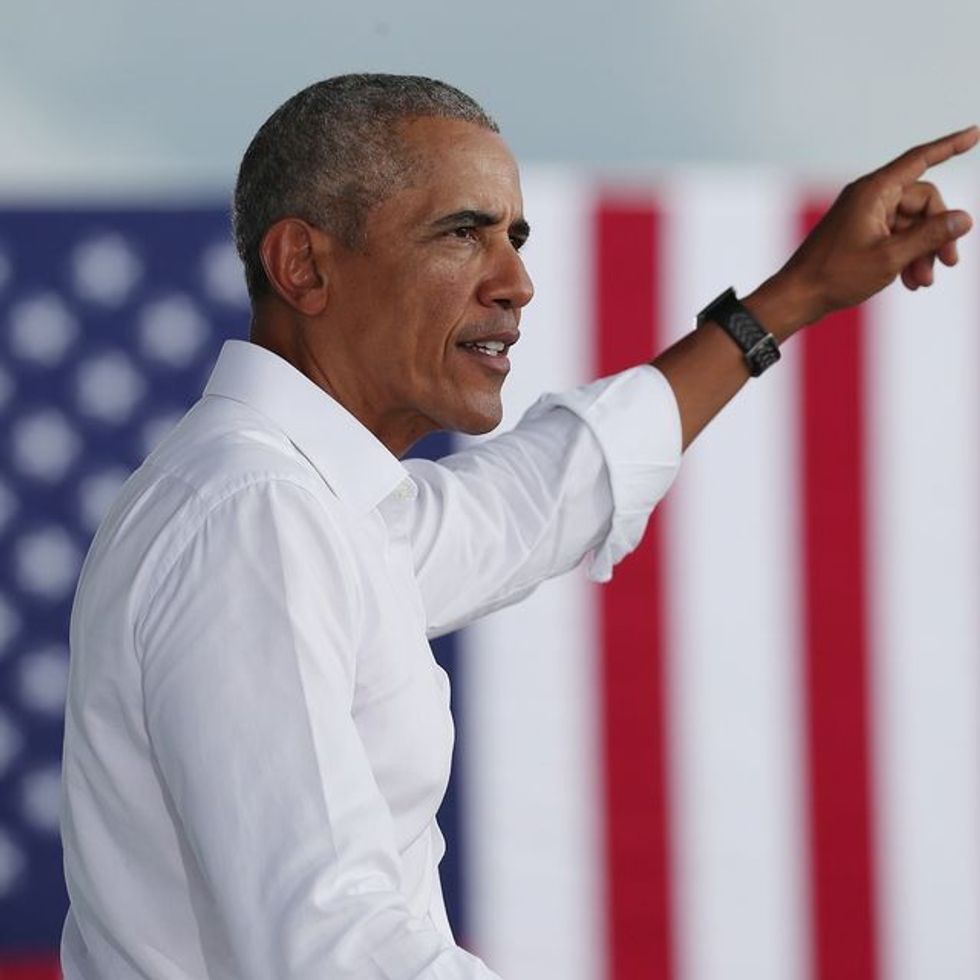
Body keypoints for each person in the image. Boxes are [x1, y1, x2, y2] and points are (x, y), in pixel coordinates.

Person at [59, 73, 977, 979]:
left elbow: (544, 493)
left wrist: (794, 297)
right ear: (303, 265)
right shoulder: (252, 517)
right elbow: (329, 942)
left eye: (517, 238)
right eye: (462, 233)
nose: (518, 283)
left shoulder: (306, 504)